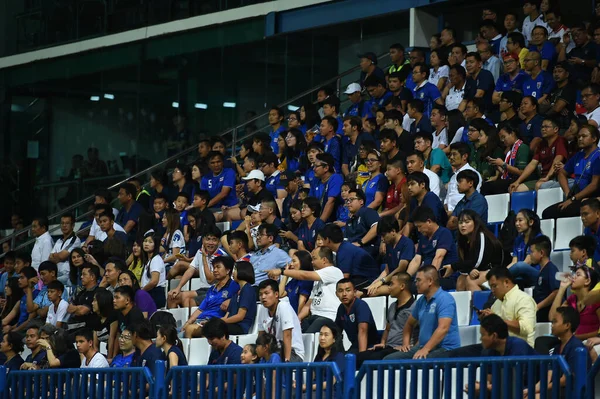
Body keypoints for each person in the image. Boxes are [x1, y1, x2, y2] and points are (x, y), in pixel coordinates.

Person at [384, 266, 460, 360]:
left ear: (430, 281)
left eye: (419, 280)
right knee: (388, 360)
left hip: (445, 349)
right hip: (422, 347)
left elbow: (443, 328)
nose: (416, 284)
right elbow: (409, 324)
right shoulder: (421, 301)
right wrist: (405, 344)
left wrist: (426, 349)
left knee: (419, 361)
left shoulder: (445, 299)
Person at [269, 247, 343, 334]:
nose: (312, 262)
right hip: (313, 316)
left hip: (328, 316)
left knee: (307, 336)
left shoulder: (334, 271)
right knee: (293, 333)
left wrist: (282, 271)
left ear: (324, 260)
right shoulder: (317, 279)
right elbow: (309, 303)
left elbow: (304, 275)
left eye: (314, 259)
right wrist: (298, 318)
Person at [524, 306, 591, 398]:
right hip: (557, 389)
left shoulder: (576, 347)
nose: (552, 325)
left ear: (567, 325)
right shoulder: (556, 348)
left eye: (555, 321)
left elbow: (565, 380)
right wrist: (531, 390)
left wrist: (540, 390)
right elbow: (548, 376)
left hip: (572, 391)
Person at [466, 314, 538, 396]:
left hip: (532, 388)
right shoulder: (487, 352)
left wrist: (485, 387)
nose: (480, 339)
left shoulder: (518, 346)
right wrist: (478, 388)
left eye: (483, 335)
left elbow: (513, 383)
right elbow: (489, 381)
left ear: (494, 336)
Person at [543, 124, 600, 219]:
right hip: (576, 197)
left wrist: (574, 199)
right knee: (547, 213)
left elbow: (594, 185)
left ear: (594, 139)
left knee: (561, 212)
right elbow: (562, 173)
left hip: (592, 198)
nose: (580, 139)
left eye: (584, 136)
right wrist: (567, 193)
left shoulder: (598, 157)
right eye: (578, 137)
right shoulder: (578, 155)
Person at [357, 273, 416, 365]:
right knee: (358, 357)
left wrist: (411, 347)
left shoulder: (415, 307)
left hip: (401, 349)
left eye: (391, 284)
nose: (389, 287)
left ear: (402, 286)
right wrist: (383, 343)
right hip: (388, 347)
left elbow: (420, 331)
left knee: (373, 359)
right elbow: (388, 328)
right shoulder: (392, 306)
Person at [442, 210, 503, 291]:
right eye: (460, 222)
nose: (463, 225)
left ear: (475, 223)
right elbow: (465, 265)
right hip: (480, 270)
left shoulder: (482, 236)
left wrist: (454, 267)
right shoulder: (463, 240)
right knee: (460, 280)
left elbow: (477, 262)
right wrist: (469, 270)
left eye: (467, 222)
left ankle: (478, 304)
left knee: (471, 280)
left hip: (496, 270)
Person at [168, 226, 226, 308]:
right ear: (203, 240)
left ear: (219, 242)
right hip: (203, 289)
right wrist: (178, 288)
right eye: (208, 239)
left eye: (214, 240)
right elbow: (191, 269)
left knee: (186, 298)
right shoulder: (200, 252)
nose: (210, 242)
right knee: (172, 297)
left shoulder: (222, 256)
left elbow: (210, 280)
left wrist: (204, 258)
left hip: (216, 291)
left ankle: (189, 320)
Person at [183, 256, 239, 338]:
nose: (215, 270)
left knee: (189, 329)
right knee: (175, 332)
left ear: (227, 270)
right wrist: (188, 322)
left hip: (214, 323)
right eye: (214, 268)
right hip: (200, 320)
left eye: (218, 267)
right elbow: (200, 309)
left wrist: (231, 300)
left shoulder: (234, 286)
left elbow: (241, 298)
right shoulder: (211, 289)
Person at [509, 117, 568, 192]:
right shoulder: (542, 144)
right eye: (542, 127)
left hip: (556, 178)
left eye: (546, 127)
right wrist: (518, 181)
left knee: (539, 185)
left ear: (556, 129)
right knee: (516, 189)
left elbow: (557, 160)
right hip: (542, 178)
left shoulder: (560, 141)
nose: (543, 129)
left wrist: (547, 177)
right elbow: (532, 164)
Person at [480, 267, 537, 346]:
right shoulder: (496, 303)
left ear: (506, 282)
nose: (492, 290)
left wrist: (497, 320)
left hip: (521, 350)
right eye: (490, 287)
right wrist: (486, 321)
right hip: (500, 348)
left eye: (494, 286)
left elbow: (527, 328)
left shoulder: (523, 299)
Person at [406, 206, 458, 290]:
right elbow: (416, 260)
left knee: (416, 287)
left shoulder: (444, 233)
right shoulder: (423, 237)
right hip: (426, 278)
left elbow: (438, 258)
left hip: (444, 278)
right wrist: (406, 278)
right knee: (405, 286)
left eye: (420, 226)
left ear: (429, 221)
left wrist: (428, 279)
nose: (418, 230)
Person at [319, 224, 380, 291]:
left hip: (368, 280)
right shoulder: (343, 247)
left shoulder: (344, 251)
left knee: (339, 289)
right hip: (359, 277)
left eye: (322, 240)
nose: (322, 243)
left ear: (327, 240)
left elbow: (344, 278)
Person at [256, 279, 304, 362]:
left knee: (274, 357)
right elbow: (261, 337)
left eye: (266, 293)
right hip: (274, 351)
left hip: (293, 353)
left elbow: (287, 335)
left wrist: (286, 361)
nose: (263, 297)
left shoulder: (284, 306)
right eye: (260, 294)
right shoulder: (262, 309)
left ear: (276, 294)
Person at [366, 216, 414, 296]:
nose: (382, 239)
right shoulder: (389, 245)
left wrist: (383, 281)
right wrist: (376, 282)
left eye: (383, 235)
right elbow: (387, 269)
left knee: (373, 292)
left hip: (402, 283)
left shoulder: (407, 243)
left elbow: (401, 268)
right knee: (367, 290)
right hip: (390, 281)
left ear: (393, 231)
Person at [549, 266, 600, 341]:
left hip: (592, 342)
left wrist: (576, 338)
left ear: (587, 281)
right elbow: (552, 317)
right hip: (575, 342)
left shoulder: (595, 300)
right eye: (574, 274)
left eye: (578, 275)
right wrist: (562, 288)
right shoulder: (572, 299)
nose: (573, 277)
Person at [335, 278, 378, 354]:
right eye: (341, 291)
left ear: (354, 292)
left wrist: (362, 356)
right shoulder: (341, 308)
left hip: (370, 346)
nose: (344, 294)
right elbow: (336, 332)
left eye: (348, 290)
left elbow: (363, 331)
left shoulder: (361, 305)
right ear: (336, 294)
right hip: (355, 346)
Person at [403, 172, 447, 237]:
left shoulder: (431, 198)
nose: (409, 188)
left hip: (437, 237)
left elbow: (431, 224)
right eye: (408, 185)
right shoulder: (414, 200)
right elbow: (409, 223)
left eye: (412, 184)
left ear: (423, 184)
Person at [507, 209, 543, 288]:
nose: (517, 224)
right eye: (516, 221)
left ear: (531, 222)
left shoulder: (539, 239)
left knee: (520, 266)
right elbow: (514, 262)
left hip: (537, 274)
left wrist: (502, 275)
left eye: (520, 220)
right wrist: (502, 272)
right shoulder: (518, 239)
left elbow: (527, 263)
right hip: (520, 274)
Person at [444, 142, 482, 213]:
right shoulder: (453, 177)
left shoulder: (473, 174)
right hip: (448, 214)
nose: (451, 157)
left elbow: (473, 198)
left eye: (454, 154)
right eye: (450, 154)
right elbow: (448, 198)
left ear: (464, 156)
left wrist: (454, 213)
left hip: (464, 214)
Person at [530, 235, 560, 322]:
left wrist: (538, 306)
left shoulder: (551, 269)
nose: (530, 255)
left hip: (547, 315)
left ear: (542, 253)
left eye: (532, 252)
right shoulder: (541, 270)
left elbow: (556, 292)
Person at [222, 261, 257, 335]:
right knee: (209, 326)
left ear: (242, 271)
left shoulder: (248, 289)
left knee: (215, 329)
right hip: (230, 324)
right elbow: (226, 316)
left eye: (235, 269)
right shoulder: (236, 292)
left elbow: (240, 316)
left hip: (240, 327)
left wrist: (220, 323)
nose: (233, 272)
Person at [274, 250, 313, 315]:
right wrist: (286, 274)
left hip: (300, 318)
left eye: (294, 261)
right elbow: (280, 294)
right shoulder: (294, 280)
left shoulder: (307, 280)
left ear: (303, 262)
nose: (291, 264)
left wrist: (298, 320)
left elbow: (302, 302)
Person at [309, 153, 344, 223]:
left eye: (316, 166)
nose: (314, 169)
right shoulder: (315, 180)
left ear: (326, 168)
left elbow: (331, 202)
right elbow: (310, 202)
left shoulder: (336, 178)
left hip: (334, 221)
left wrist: (319, 224)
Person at [48, 213, 81, 285]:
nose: (64, 225)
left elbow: (61, 256)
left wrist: (58, 256)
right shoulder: (58, 241)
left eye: (67, 223)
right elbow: (50, 258)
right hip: (57, 273)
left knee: (51, 282)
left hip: (68, 275)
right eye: (62, 223)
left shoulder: (75, 240)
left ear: (73, 225)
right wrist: (58, 256)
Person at [139, 233, 166, 309]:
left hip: (155, 294)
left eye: (150, 242)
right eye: (145, 241)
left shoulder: (156, 260)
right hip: (150, 293)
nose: (146, 244)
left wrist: (142, 292)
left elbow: (154, 281)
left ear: (156, 245)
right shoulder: (149, 261)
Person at [90, 288, 118, 360]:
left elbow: (112, 338)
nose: (92, 303)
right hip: (104, 355)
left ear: (102, 301)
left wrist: (109, 358)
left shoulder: (113, 316)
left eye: (95, 300)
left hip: (116, 354)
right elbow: (95, 344)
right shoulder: (95, 320)